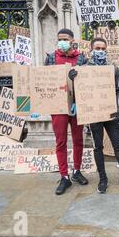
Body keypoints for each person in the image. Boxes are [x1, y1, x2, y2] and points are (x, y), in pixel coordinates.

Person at [69, 37, 119, 194]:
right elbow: (78, 90)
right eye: (98, 48)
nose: (101, 51)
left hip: (111, 113)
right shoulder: (83, 68)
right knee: (98, 147)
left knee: (118, 145)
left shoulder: (113, 68)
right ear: (91, 50)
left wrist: (118, 107)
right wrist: (73, 77)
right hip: (94, 113)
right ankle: (103, 179)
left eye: (103, 49)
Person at [44, 28, 88, 195]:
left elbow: (87, 80)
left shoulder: (81, 58)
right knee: (60, 141)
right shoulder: (51, 58)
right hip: (58, 106)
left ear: (72, 40)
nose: (61, 42)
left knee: (78, 140)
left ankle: (77, 171)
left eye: (64, 39)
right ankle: (64, 177)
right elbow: (44, 81)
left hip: (78, 105)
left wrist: (79, 76)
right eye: (59, 39)